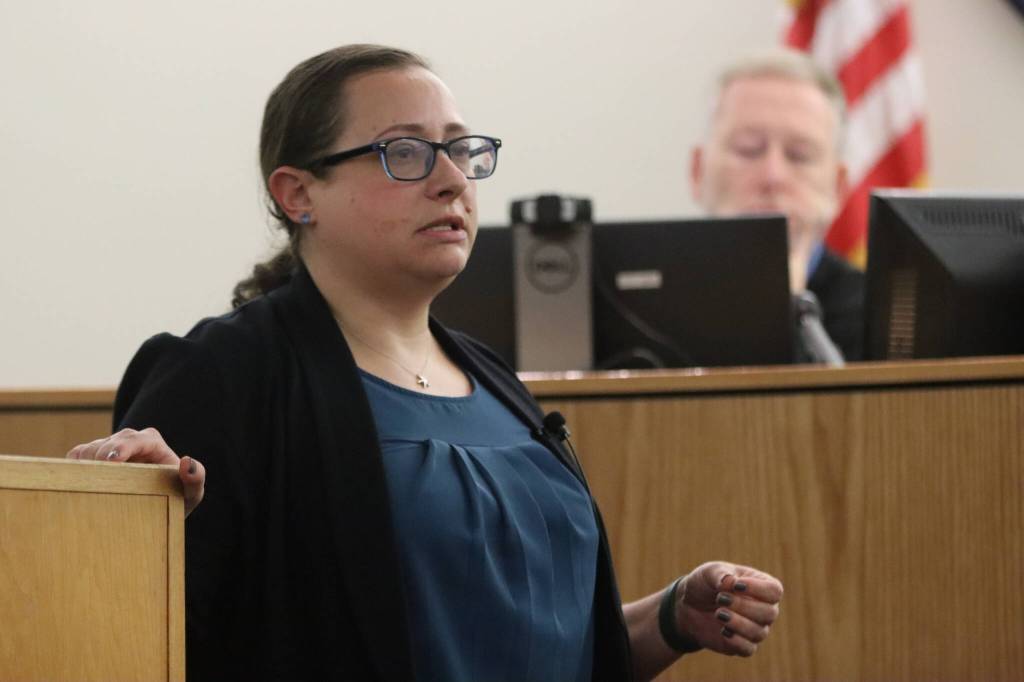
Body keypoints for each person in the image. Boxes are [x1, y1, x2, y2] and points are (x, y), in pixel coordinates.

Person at [66, 44, 782, 681]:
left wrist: (668, 618)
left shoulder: (495, 379)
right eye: (404, 153)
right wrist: (125, 527)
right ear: (298, 194)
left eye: (461, 150)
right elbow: (134, 630)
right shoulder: (225, 375)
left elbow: (545, 648)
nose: (451, 180)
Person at [689, 48, 866, 361]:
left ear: (838, 186)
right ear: (698, 172)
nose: (773, 176)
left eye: (799, 156)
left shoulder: (878, 317)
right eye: (748, 149)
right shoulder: (635, 306)